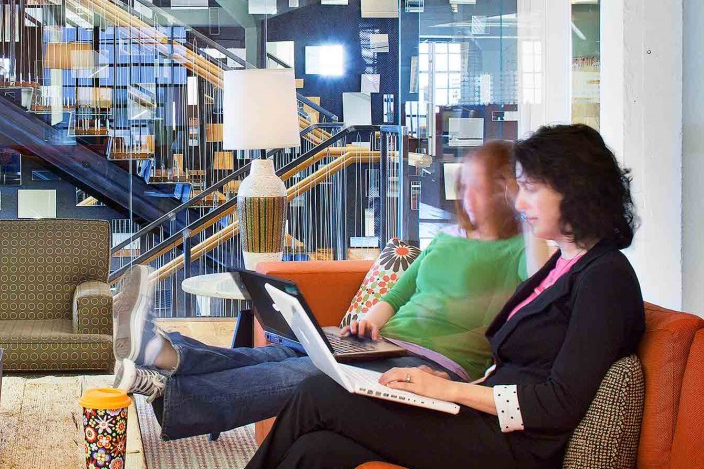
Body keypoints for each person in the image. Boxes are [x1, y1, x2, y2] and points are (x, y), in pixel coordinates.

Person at [245, 124, 646, 469]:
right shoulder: (564, 264)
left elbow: (559, 403)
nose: (520, 203)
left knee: (320, 394)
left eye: (531, 189)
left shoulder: (606, 278)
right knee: (318, 450)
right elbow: (517, 366)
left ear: (575, 191)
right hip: (484, 417)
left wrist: (450, 390)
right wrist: (443, 383)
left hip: (516, 446)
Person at [112, 141, 551, 441]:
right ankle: (163, 354)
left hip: (432, 364)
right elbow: (397, 295)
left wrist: (526, 206)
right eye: (464, 184)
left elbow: (542, 272)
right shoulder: (447, 241)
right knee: (284, 351)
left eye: (479, 186)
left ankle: (166, 390)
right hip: (383, 344)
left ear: (507, 191)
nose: (466, 196)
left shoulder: (520, 253)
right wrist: (367, 322)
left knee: (309, 376)